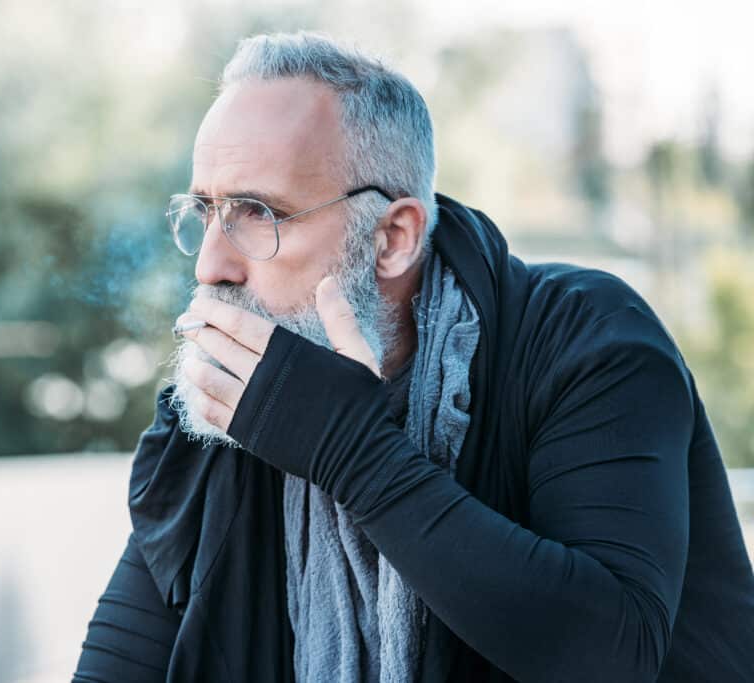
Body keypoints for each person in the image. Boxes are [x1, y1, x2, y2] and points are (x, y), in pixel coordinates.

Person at [72, 31, 754, 683]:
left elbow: (613, 653)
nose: (212, 265)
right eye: (204, 210)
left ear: (394, 237)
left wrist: (352, 452)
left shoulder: (588, 340)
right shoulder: (241, 406)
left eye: (257, 213)